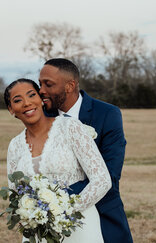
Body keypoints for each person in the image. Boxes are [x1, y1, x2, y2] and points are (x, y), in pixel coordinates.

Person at [4, 78, 111, 242]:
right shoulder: (15, 145)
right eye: (17, 100)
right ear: (11, 110)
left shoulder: (71, 127)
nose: (26, 103)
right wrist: (32, 216)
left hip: (80, 225)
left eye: (31, 95)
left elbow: (102, 180)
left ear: (41, 99)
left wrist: (64, 211)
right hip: (39, 231)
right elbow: (15, 193)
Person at [39, 58, 133, 243]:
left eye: (48, 84)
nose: (41, 90)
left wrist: (55, 200)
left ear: (69, 86)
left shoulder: (107, 114)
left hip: (102, 212)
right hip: (50, 221)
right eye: (40, 83)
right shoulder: (42, 117)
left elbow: (111, 175)